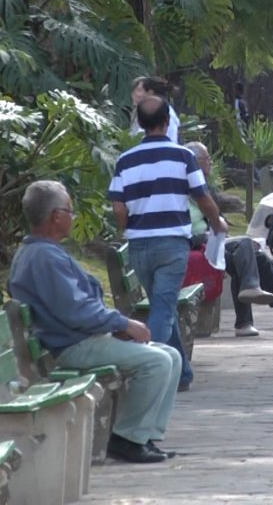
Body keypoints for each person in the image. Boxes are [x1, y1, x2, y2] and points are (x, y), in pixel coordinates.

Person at [10, 181, 183, 464]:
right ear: (56, 216)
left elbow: (76, 307)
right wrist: (122, 324)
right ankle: (127, 439)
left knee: (170, 355)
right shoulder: (43, 257)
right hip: (73, 345)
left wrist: (116, 326)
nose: (73, 216)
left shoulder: (41, 251)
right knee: (157, 362)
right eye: (70, 210)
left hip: (78, 338)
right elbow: (77, 310)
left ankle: (143, 434)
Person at [109, 95, 226, 392]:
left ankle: (182, 374)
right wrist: (217, 224)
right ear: (166, 122)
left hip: (139, 247)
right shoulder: (182, 157)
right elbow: (203, 197)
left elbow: (119, 209)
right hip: (171, 245)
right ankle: (152, 371)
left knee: (164, 305)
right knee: (163, 308)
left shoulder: (125, 160)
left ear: (141, 124)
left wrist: (131, 228)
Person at [185, 142, 273, 335]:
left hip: (210, 244)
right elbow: (183, 230)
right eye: (206, 159)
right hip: (195, 246)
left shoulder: (201, 189)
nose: (210, 162)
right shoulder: (180, 192)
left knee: (250, 252)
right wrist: (207, 235)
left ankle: (272, 311)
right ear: (193, 163)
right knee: (245, 248)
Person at [130, 76, 180, 144]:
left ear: (150, 93)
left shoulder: (164, 113)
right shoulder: (161, 111)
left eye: (140, 90)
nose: (135, 94)